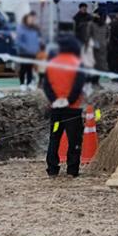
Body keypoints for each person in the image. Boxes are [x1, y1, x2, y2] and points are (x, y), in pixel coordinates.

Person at [44, 34, 87, 178]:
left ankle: (52, 168)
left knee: (54, 137)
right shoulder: (77, 63)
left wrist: (55, 99)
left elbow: (46, 85)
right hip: (72, 109)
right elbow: (78, 86)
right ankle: (72, 169)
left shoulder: (52, 63)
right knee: (74, 139)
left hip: (56, 109)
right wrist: (69, 100)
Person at [15, 13, 42, 91]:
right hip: (23, 52)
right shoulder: (21, 28)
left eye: (33, 19)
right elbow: (18, 41)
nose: (32, 20)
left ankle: (29, 83)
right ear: (26, 19)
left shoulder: (35, 29)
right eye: (30, 19)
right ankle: (22, 83)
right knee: (23, 68)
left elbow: (37, 39)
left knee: (30, 68)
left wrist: (37, 47)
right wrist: (26, 47)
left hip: (32, 52)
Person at [88, 13, 110, 85]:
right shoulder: (91, 24)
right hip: (94, 49)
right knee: (94, 64)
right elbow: (88, 35)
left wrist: (106, 42)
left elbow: (108, 34)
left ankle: (96, 80)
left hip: (103, 49)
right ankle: (92, 80)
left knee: (101, 66)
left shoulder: (105, 25)